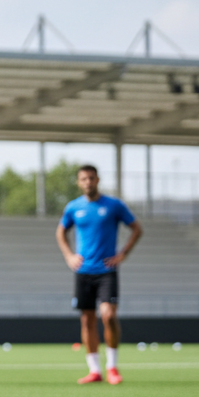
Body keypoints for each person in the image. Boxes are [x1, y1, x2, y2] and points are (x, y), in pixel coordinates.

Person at [55, 164, 143, 385]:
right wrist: (69, 255)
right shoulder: (74, 207)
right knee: (87, 320)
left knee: (109, 315)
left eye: (91, 178)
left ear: (98, 180)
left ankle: (112, 366)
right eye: (84, 179)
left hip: (106, 270)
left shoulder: (113, 205)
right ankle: (94, 370)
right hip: (83, 271)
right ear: (79, 182)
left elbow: (136, 228)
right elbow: (60, 231)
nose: (88, 182)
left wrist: (123, 254)